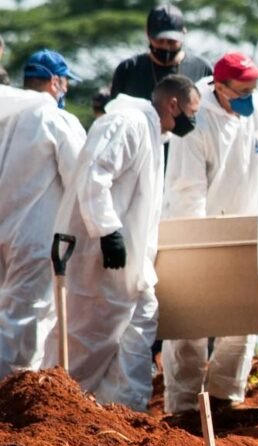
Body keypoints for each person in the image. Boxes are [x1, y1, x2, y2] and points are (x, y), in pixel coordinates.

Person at [42, 75, 201, 411]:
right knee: (87, 345)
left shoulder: (153, 133)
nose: (193, 120)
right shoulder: (126, 123)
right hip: (97, 258)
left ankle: (126, 413)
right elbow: (94, 176)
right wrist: (108, 231)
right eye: (191, 111)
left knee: (139, 329)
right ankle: (61, 414)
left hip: (130, 267)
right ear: (173, 104)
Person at [161, 53, 258, 414]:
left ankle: (226, 397)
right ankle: (182, 404)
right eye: (242, 89)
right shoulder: (198, 122)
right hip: (202, 230)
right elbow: (187, 189)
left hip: (248, 228)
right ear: (220, 87)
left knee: (242, 319)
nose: (250, 95)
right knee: (190, 322)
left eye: (254, 87)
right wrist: (199, 245)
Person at [0, 50, 86, 379]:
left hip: (5, 230)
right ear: (55, 82)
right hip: (34, 238)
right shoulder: (56, 119)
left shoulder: (7, 116)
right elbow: (80, 177)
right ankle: (14, 405)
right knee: (26, 327)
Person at [111, 4, 212, 100]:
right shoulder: (128, 70)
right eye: (159, 41)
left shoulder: (203, 68)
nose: (166, 46)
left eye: (172, 41)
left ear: (183, 33)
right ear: (147, 34)